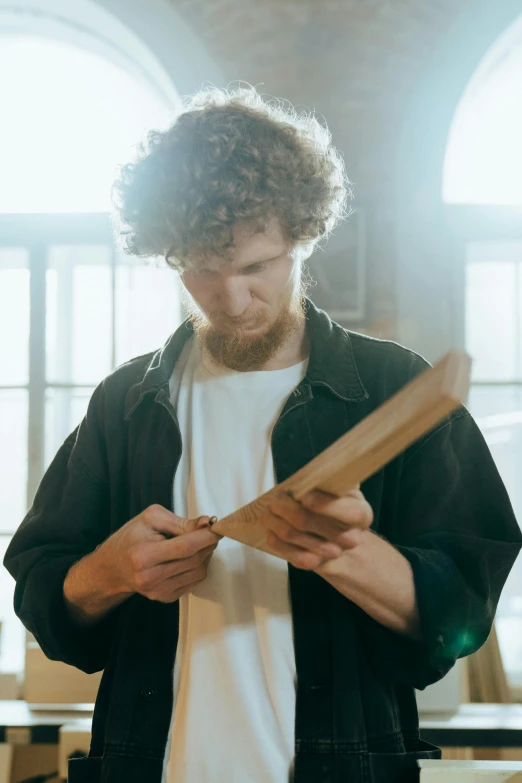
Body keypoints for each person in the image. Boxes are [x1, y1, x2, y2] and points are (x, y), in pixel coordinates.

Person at [4, 86, 522, 783]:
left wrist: (348, 552)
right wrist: (111, 572)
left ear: (304, 236)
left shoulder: (395, 387)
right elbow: (42, 591)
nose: (232, 299)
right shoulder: (124, 402)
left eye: (257, 267)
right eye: (201, 272)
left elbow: (462, 616)